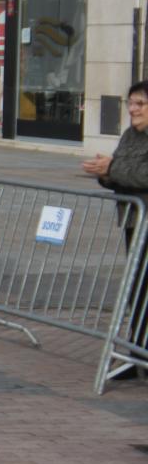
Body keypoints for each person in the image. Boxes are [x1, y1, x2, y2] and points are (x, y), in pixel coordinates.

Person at [82, 80, 148, 380]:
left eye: (140, 104)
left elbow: (142, 174)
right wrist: (104, 172)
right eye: (130, 103)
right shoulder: (130, 135)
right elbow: (120, 170)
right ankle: (136, 354)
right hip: (134, 222)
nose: (133, 109)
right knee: (136, 290)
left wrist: (111, 169)